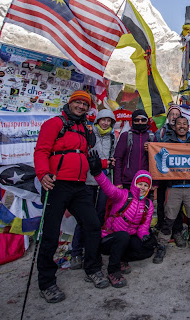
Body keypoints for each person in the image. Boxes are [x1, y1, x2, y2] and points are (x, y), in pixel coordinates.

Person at [34, 90, 108, 304]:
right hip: (57, 184)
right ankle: (47, 283)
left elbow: (84, 155)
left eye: (85, 105)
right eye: (78, 103)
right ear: (70, 103)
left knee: (93, 225)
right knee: (50, 233)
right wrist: (42, 174)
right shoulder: (54, 124)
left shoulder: (84, 128)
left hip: (80, 185)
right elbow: (41, 151)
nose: (81, 107)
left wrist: (98, 165)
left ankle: (92, 268)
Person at [153, 116, 190, 262]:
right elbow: (157, 156)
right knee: (169, 218)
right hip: (173, 187)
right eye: (179, 124)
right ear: (175, 126)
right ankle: (162, 245)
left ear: (188, 126)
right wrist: (150, 147)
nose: (182, 126)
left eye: (185, 124)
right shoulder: (167, 143)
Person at [90, 162, 156, 288]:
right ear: (134, 184)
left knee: (148, 246)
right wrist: (98, 174)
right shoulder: (123, 195)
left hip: (126, 239)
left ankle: (121, 257)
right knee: (123, 236)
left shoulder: (148, 204)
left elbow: (143, 227)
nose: (142, 187)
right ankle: (113, 271)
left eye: (145, 185)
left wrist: (144, 236)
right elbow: (108, 188)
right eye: (140, 184)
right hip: (109, 238)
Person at [71, 109, 116, 270]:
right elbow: (85, 157)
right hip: (88, 181)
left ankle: (93, 250)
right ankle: (76, 252)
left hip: (104, 182)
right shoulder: (89, 134)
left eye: (108, 120)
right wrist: (104, 163)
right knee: (84, 218)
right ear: (97, 120)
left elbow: (113, 157)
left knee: (99, 217)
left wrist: (110, 163)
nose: (105, 123)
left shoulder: (112, 136)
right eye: (103, 120)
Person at [155, 104, 185, 247]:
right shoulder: (160, 132)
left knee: (178, 205)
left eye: (176, 114)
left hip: (178, 176)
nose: (174, 116)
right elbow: (154, 149)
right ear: (168, 117)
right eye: (171, 114)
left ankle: (177, 231)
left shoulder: (185, 133)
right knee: (162, 203)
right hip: (163, 174)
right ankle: (162, 229)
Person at [113, 109, 154, 189]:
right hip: (127, 182)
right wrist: (117, 182)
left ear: (147, 121)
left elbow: (157, 161)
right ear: (132, 121)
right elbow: (118, 159)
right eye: (136, 120)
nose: (140, 122)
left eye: (143, 120)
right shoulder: (125, 136)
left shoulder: (152, 137)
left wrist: (155, 183)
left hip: (145, 182)